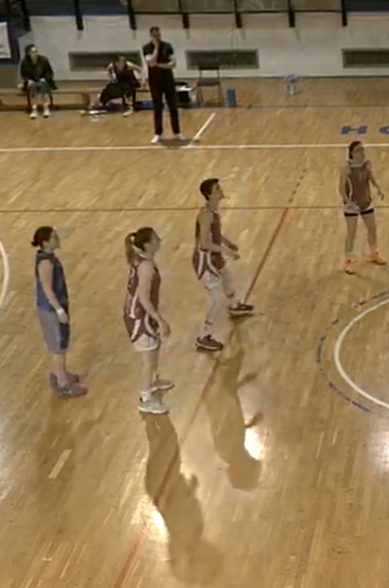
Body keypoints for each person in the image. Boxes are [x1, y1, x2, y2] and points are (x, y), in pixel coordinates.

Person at [193, 178, 255, 352]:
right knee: (217, 300)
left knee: (228, 278)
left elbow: (215, 235)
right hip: (205, 261)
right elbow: (204, 243)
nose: (220, 190)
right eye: (217, 188)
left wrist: (228, 243)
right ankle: (203, 336)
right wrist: (226, 251)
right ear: (209, 194)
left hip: (214, 257)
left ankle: (234, 307)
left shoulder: (212, 212)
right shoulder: (206, 215)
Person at [123, 227, 174, 415]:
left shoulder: (140, 259)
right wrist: (160, 319)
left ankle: (152, 383)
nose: (159, 240)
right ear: (147, 245)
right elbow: (144, 298)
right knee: (148, 359)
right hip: (139, 317)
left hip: (140, 313)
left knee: (154, 348)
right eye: (155, 239)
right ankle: (145, 398)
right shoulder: (146, 267)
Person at [32, 226, 86, 397]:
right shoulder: (46, 263)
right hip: (50, 309)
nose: (58, 239)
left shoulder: (49, 258)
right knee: (58, 346)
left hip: (55, 306)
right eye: (54, 237)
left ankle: (59, 372)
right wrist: (59, 310)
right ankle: (63, 383)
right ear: (45, 242)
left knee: (61, 343)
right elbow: (48, 289)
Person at [340, 141, 387, 273]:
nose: (362, 152)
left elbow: (370, 177)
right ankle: (349, 260)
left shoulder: (366, 164)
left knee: (372, 228)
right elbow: (341, 188)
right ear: (352, 153)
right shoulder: (346, 169)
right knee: (352, 232)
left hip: (366, 201)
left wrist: (378, 188)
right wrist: (348, 202)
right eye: (359, 150)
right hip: (352, 204)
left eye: (362, 149)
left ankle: (373, 253)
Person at [143, 27, 183, 144]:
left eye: (158, 35)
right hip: (155, 82)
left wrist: (159, 65)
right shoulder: (146, 48)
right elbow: (151, 62)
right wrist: (156, 48)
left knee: (173, 107)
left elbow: (173, 64)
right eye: (155, 35)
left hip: (168, 80)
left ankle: (177, 132)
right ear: (151, 36)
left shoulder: (167, 46)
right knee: (157, 107)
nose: (157, 37)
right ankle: (158, 133)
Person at [19, 44, 55, 119]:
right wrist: (28, 80)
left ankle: (46, 108)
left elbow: (49, 72)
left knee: (42, 86)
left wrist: (45, 78)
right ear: (28, 53)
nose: (35, 53)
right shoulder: (24, 62)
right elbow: (23, 74)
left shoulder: (43, 60)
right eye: (33, 52)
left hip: (43, 80)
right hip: (31, 81)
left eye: (36, 51)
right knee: (32, 87)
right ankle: (34, 109)